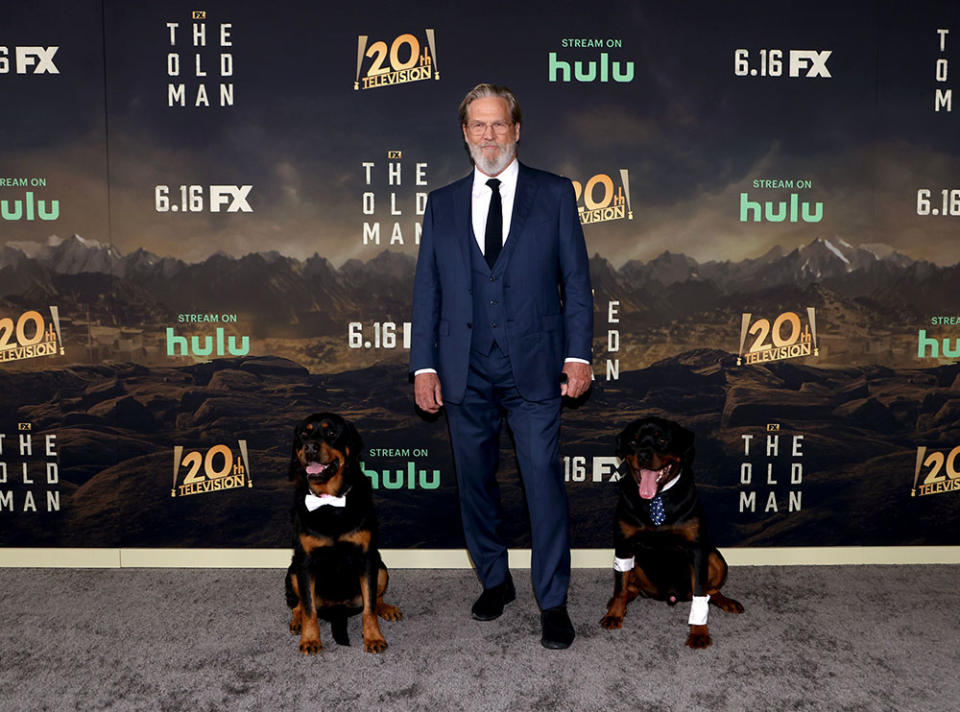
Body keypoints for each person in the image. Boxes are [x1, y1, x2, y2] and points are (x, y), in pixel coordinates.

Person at [410, 83, 593, 649]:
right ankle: (494, 580)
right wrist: (423, 367)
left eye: (498, 125)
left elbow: (578, 285)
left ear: (517, 129)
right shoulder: (441, 203)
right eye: (478, 126)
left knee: (542, 485)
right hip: (463, 370)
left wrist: (578, 353)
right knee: (475, 487)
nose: (489, 135)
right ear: (465, 134)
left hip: (536, 369)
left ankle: (553, 601)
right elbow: (427, 293)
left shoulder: (556, 194)